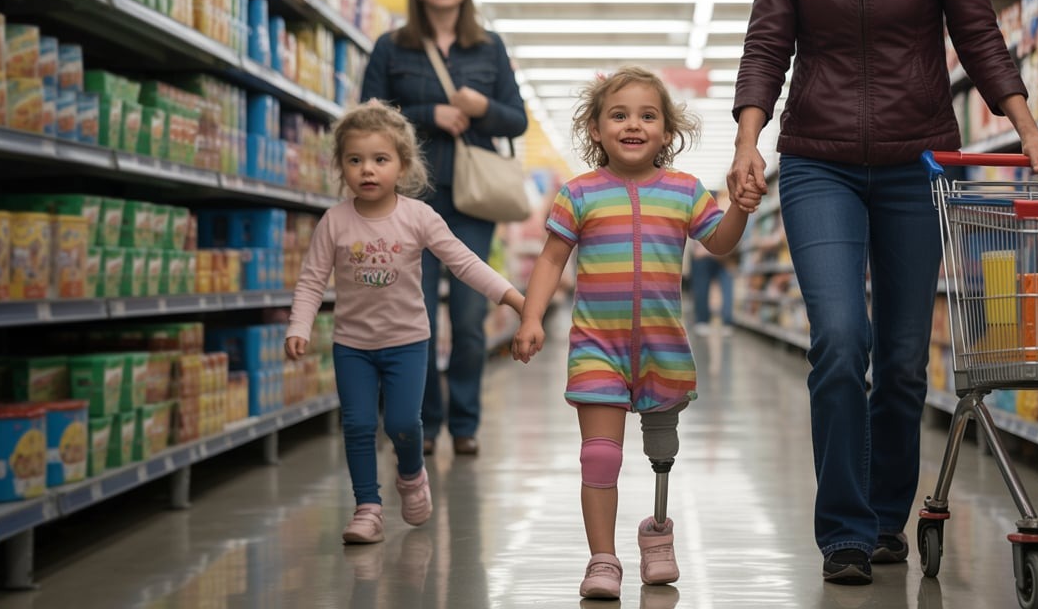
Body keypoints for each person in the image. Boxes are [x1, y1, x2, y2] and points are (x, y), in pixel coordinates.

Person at [728, 0, 1038, 586]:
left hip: (916, 161)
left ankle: (886, 519)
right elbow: (767, 44)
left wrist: (1028, 128)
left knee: (905, 357)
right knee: (839, 337)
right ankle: (844, 532)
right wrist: (747, 142)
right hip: (818, 161)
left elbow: (977, 31)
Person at [511, 66, 758, 600]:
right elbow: (551, 260)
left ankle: (658, 531)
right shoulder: (578, 194)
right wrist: (531, 317)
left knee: (662, 451)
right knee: (599, 455)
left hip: (664, 348)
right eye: (618, 115)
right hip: (597, 347)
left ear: (667, 132)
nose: (633, 125)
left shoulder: (686, 191)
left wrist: (739, 206)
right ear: (595, 129)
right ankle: (602, 558)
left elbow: (720, 244)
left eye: (648, 116)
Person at [285, 100, 525, 545]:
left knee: (403, 423)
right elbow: (312, 280)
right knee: (358, 425)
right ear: (340, 166)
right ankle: (368, 508)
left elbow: (465, 263)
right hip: (352, 346)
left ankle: (412, 476)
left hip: (407, 342)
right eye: (355, 160)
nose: (367, 170)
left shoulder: (418, 217)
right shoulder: (334, 222)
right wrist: (299, 327)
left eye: (380, 159)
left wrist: (512, 298)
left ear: (403, 164)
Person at [359, 0, 529, 458]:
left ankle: (465, 423)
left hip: (472, 202)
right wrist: (427, 115)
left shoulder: (489, 48)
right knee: (416, 320)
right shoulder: (391, 47)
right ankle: (424, 424)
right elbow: (368, 116)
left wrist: (481, 107)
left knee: (471, 320)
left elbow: (516, 120)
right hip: (410, 198)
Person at [690, 190, 738, 336]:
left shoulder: (720, 215)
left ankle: (725, 321)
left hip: (722, 259)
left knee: (725, 283)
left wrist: (713, 251)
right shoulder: (698, 217)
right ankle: (703, 320)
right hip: (710, 260)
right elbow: (696, 251)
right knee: (703, 286)